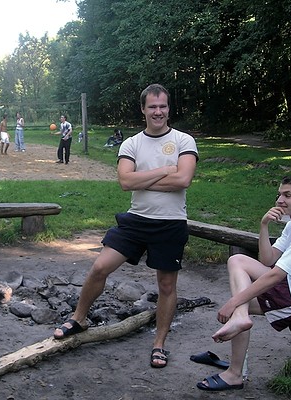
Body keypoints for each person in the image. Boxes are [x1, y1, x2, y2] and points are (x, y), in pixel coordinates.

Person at [53, 84, 198, 372]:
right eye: (152, 107)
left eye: (163, 106)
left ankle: (159, 343)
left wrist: (143, 177)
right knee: (99, 267)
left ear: (169, 109)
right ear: (143, 109)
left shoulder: (184, 141)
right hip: (136, 220)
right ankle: (79, 319)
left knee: (167, 285)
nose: (158, 111)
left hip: (170, 223)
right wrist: (165, 170)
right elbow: (125, 182)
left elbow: (183, 180)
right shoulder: (131, 144)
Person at [197, 174, 291, 392]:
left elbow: (275, 275)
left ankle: (235, 373)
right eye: (279, 194)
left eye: (288, 195)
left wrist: (234, 302)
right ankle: (238, 353)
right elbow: (267, 260)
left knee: (240, 303)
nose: (280, 200)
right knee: (237, 261)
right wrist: (264, 225)